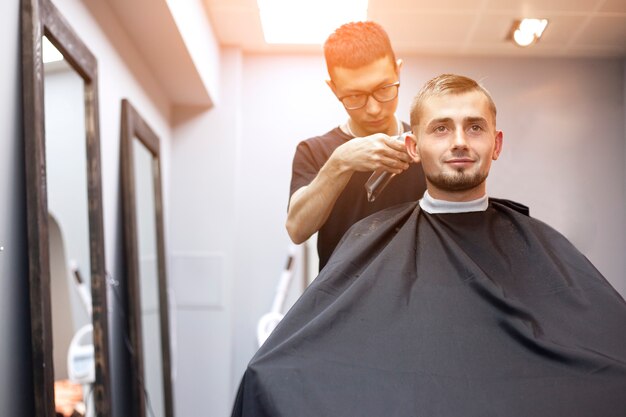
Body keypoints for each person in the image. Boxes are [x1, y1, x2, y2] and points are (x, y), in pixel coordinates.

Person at [232, 73, 626, 416]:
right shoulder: (370, 237)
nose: (459, 142)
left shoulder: (535, 242)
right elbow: (283, 372)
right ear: (413, 147)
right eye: (440, 128)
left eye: (475, 127)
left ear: (497, 143)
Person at [286, 21, 426, 271]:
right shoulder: (314, 151)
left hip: (413, 299)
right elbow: (297, 229)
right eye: (354, 96)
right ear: (333, 88)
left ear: (398, 71)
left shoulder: (424, 145)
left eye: (384, 89)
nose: (373, 108)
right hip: (342, 301)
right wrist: (340, 162)